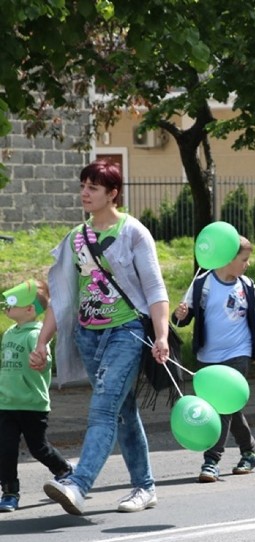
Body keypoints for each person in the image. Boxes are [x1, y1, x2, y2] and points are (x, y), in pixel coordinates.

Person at [31, 160, 170, 515]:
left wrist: (162, 335)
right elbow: (63, 298)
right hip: (88, 337)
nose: (84, 193)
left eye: (93, 187)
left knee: (103, 409)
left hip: (126, 332)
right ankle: (145, 487)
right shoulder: (77, 238)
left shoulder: (132, 232)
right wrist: (43, 341)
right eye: (83, 186)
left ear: (113, 193)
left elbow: (155, 289)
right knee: (122, 411)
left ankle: (78, 484)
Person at [173, 236, 255, 482]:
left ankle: (211, 460)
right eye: (244, 259)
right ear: (227, 258)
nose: (248, 264)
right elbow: (182, 319)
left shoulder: (247, 286)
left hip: (237, 354)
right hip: (207, 356)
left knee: (221, 407)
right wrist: (179, 315)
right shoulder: (202, 284)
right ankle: (250, 451)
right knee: (230, 407)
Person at [0, 280, 73, 512]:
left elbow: (44, 362)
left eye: (11, 303)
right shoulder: (9, 333)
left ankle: (64, 471)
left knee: (38, 448)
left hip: (32, 405)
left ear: (29, 309)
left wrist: (41, 361)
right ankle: (10, 492)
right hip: (7, 404)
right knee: (6, 449)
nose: (6, 306)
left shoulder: (37, 335)